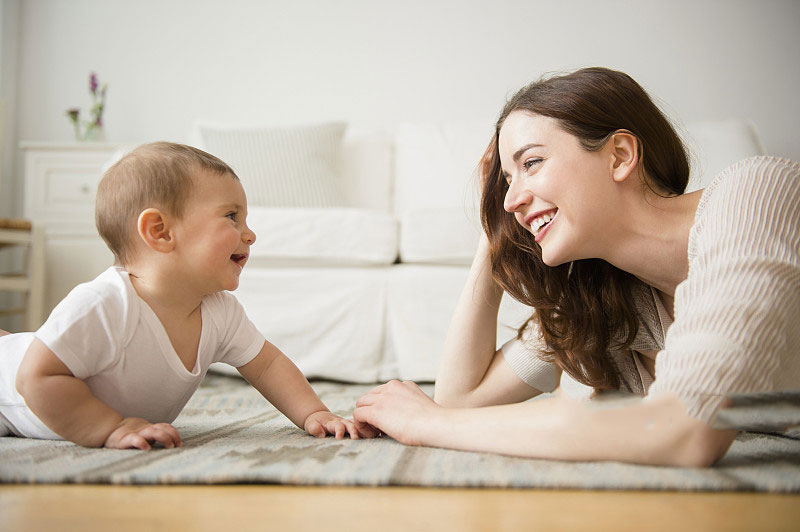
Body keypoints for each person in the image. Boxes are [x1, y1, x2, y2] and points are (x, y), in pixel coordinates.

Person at [353, 67, 800, 467]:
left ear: (620, 155)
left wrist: (425, 426)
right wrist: (492, 240)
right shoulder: (606, 296)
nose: (511, 200)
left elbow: (684, 431)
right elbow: (462, 401)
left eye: (531, 163)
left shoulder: (758, 196)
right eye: (507, 181)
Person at [0, 142, 370, 449]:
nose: (250, 234)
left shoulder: (220, 312)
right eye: (231, 217)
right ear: (160, 232)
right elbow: (34, 378)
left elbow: (267, 365)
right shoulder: (105, 305)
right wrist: (111, 428)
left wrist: (312, 413)